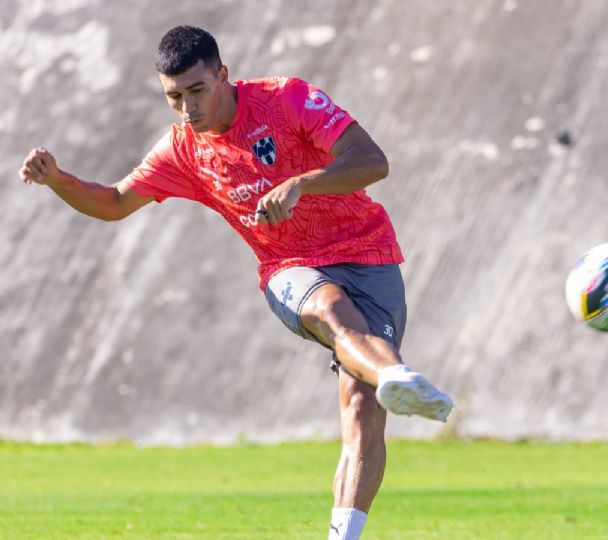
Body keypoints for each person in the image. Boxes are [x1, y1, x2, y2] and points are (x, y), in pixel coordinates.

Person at [18, 25, 453, 540]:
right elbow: (113, 203)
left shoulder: (288, 99)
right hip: (288, 268)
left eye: (197, 91)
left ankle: (349, 518)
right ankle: (396, 377)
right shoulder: (182, 149)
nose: (187, 109)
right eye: (174, 98)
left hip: (370, 257)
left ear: (223, 76)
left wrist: (300, 184)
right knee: (330, 310)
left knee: (361, 410)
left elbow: (372, 162)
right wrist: (58, 179)